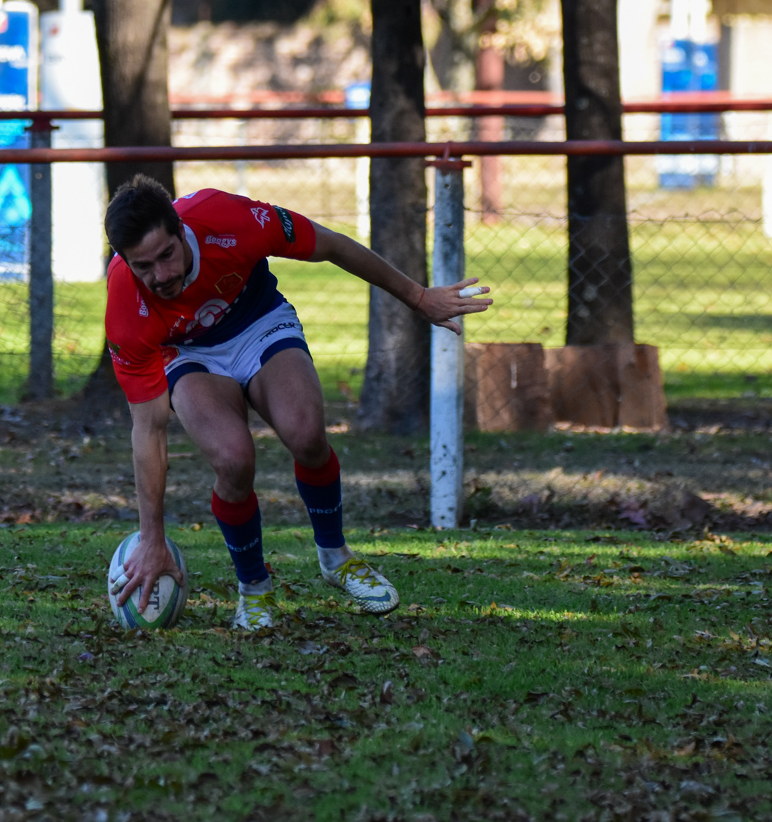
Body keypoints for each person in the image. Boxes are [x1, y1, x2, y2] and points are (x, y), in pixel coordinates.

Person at [104, 177, 491, 630]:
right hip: (188, 353)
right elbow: (148, 429)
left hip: (257, 323)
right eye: (143, 266)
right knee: (233, 460)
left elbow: (333, 245)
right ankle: (254, 590)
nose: (161, 275)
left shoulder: (228, 219)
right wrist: (152, 538)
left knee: (307, 435)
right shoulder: (126, 303)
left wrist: (420, 298)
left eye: (167, 255)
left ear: (179, 228)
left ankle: (336, 558)